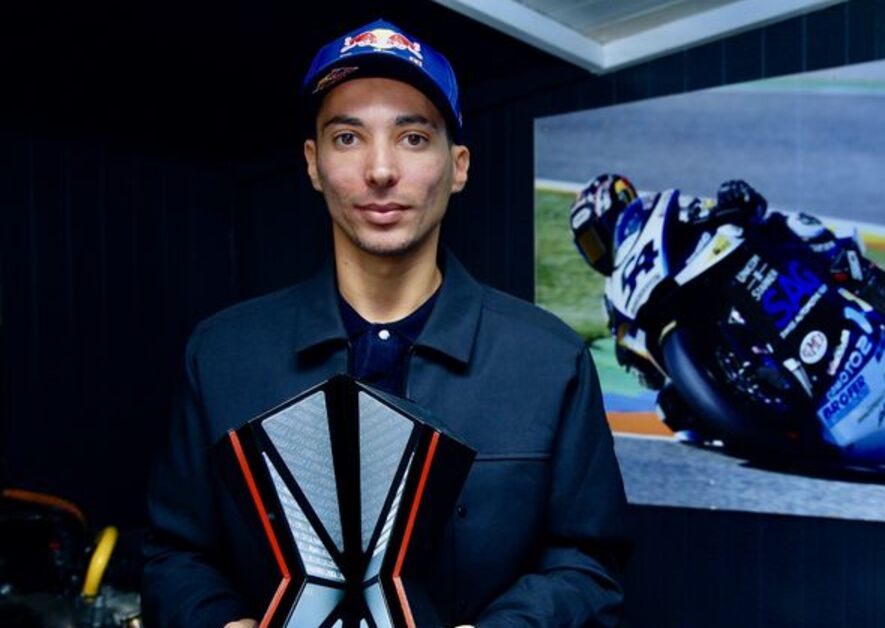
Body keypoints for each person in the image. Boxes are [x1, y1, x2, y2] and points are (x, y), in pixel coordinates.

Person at [143, 18, 629, 627]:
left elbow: (588, 563)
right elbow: (175, 553)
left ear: (458, 166)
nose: (379, 170)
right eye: (348, 137)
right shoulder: (221, 353)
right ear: (313, 163)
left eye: (413, 138)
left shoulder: (549, 359)